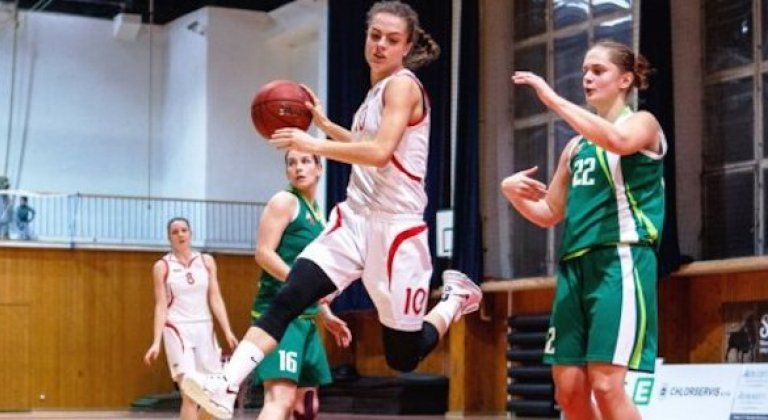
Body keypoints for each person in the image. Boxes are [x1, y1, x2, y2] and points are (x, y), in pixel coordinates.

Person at [182, 2, 482, 418]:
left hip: (396, 231)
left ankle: (455, 299)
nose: (380, 45)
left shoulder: (403, 87)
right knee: (292, 294)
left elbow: (379, 152)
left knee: (403, 356)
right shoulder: (374, 93)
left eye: (392, 39)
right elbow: (365, 145)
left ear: (407, 46)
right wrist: (324, 126)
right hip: (355, 218)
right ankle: (226, 383)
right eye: (374, 35)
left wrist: (312, 143)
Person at [501, 40, 664, 420]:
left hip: (621, 260)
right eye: (585, 71)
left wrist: (552, 99)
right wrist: (511, 194)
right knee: (570, 391)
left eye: (598, 70)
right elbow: (548, 212)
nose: (587, 77)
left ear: (625, 80)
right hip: (574, 267)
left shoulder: (643, 123)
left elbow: (618, 142)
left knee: (607, 386)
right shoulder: (575, 148)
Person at [251, 150, 352, 420]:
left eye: (305, 161)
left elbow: (313, 275)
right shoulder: (284, 201)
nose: (298, 168)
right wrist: (300, 286)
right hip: (280, 315)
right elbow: (263, 253)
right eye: (291, 163)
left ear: (319, 168)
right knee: (280, 399)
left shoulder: (318, 214)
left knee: (305, 406)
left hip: (306, 318)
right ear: (286, 171)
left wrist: (325, 313)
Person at [144, 217, 239, 420]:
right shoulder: (162, 266)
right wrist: (156, 342)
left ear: (190, 233)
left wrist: (227, 330)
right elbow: (160, 305)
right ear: (169, 237)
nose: (180, 234)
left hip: (205, 329)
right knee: (190, 393)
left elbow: (215, 298)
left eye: (184, 230)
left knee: (213, 393)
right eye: (175, 232)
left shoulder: (206, 261)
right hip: (177, 329)